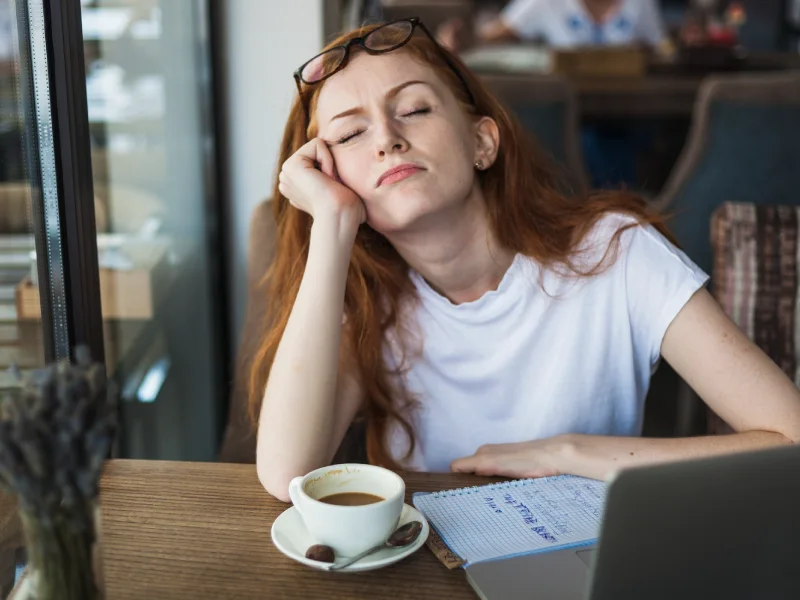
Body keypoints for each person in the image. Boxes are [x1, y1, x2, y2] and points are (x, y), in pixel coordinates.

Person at [251, 18, 800, 502]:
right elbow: (286, 474)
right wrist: (333, 225)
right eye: (350, 134)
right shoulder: (361, 301)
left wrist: (572, 454)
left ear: (482, 143)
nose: (388, 139)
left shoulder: (619, 253)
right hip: (424, 567)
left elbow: (791, 441)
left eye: (414, 109)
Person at [438, 0, 667, 52]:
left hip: (628, 110)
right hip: (570, 106)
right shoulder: (545, 2)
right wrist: (460, 40)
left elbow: (662, 48)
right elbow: (490, 36)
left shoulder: (640, 3)